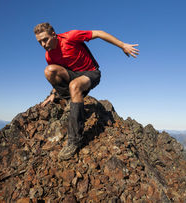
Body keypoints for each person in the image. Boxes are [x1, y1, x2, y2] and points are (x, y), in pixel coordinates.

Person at [34, 22, 139, 160]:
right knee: (49, 71)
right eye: (39, 42)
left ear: (53, 34)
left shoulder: (70, 37)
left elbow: (99, 33)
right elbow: (58, 74)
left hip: (91, 73)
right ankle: (71, 99)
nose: (43, 44)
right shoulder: (49, 56)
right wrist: (53, 94)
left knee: (74, 86)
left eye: (45, 39)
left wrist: (122, 45)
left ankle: (74, 140)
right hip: (73, 75)